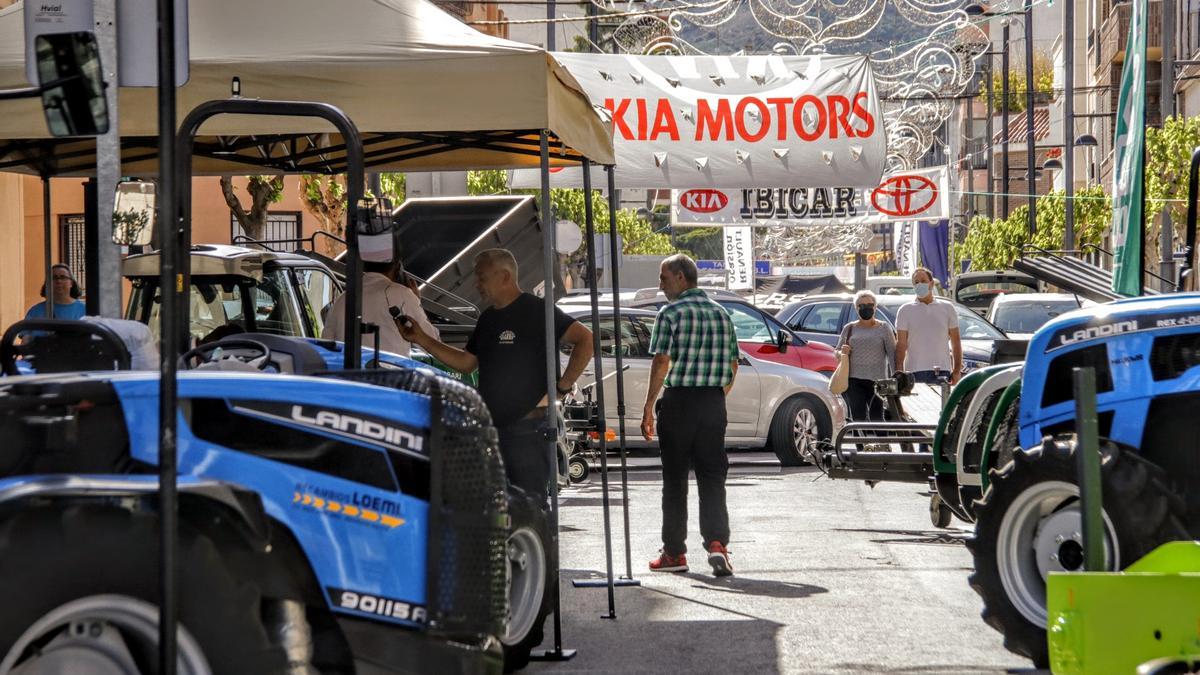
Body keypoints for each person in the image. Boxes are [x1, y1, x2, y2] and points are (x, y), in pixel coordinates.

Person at [400, 249, 593, 499]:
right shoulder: (488, 319)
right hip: (491, 431)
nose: (476, 284)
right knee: (493, 509)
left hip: (529, 432)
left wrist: (564, 385)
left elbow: (585, 339)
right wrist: (421, 339)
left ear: (504, 276)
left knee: (530, 506)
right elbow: (467, 363)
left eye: (481, 277)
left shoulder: (537, 310)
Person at [640, 254, 739, 577]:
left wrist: (649, 405)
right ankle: (716, 544)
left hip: (680, 402)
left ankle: (674, 553)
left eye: (664, 278)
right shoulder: (722, 314)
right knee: (713, 476)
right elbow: (733, 364)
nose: (661, 284)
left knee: (675, 479)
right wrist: (716, 394)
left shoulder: (670, 313)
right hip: (712, 402)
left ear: (681, 278)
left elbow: (661, 360)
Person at [322, 250, 436, 358]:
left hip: (350, 377)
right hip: (392, 376)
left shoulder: (341, 300)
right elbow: (432, 344)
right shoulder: (403, 295)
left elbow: (327, 347)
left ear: (364, 265)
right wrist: (417, 301)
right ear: (397, 268)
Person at [894, 267, 963, 386]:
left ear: (931, 284)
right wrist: (900, 372)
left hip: (942, 371)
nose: (920, 284)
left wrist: (956, 370)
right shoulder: (905, 310)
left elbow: (955, 342)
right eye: (916, 282)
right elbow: (901, 344)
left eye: (923, 281)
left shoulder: (947, 308)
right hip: (914, 371)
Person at [836, 289, 895, 423]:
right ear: (856, 308)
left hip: (877, 381)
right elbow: (837, 352)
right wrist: (842, 352)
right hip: (854, 380)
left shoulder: (884, 328)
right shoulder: (849, 328)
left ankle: (882, 444)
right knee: (858, 417)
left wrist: (895, 377)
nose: (866, 308)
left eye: (870, 305)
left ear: (875, 307)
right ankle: (860, 445)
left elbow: (892, 354)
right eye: (862, 305)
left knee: (877, 418)